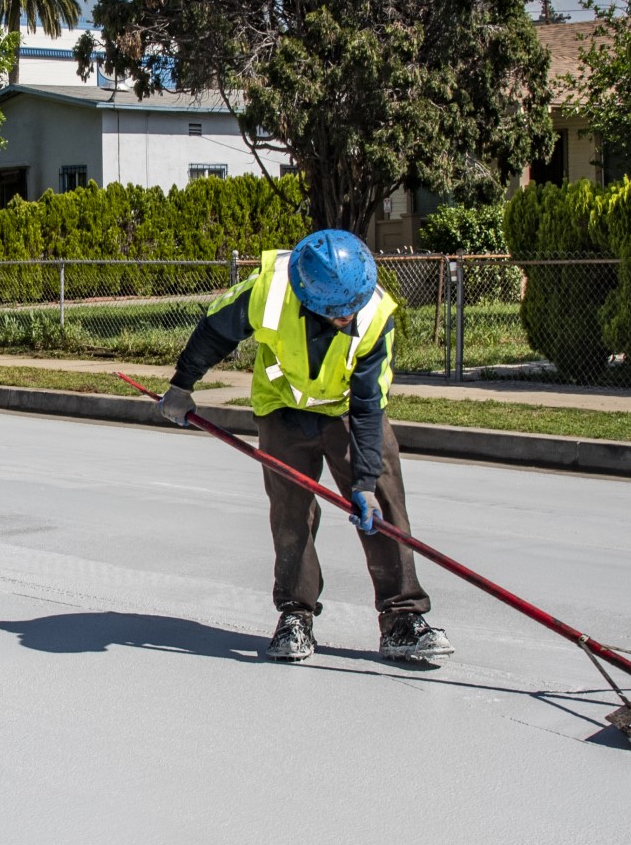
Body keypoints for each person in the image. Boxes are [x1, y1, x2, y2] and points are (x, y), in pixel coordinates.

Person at [154, 229, 452, 667]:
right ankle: (296, 614)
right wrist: (181, 385)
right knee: (291, 511)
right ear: (313, 302)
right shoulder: (270, 291)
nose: (351, 316)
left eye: (356, 306)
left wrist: (365, 483)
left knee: (383, 503)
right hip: (282, 408)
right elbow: (215, 330)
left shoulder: (375, 314)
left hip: (348, 410)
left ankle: (402, 618)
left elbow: (370, 405)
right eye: (340, 313)